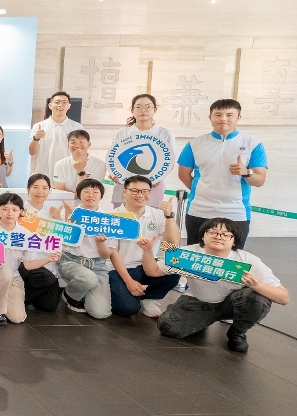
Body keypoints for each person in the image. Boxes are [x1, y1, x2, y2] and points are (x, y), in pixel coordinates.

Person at [156, 218, 289, 352]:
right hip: (198, 300)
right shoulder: (188, 253)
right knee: (167, 326)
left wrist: (257, 285)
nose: (218, 237)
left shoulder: (248, 260)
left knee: (257, 297)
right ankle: (201, 319)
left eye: (226, 234)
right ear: (203, 235)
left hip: (231, 302)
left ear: (234, 241)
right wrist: (148, 250)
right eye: (213, 232)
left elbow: (283, 297)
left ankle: (238, 332)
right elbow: (154, 271)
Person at [177, 99, 267, 249]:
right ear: (210, 117)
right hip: (199, 210)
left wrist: (246, 172)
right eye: (218, 114)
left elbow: (260, 180)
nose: (223, 119)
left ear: (238, 117)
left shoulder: (253, 144)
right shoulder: (195, 144)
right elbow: (183, 174)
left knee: (232, 258)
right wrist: (202, 191)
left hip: (236, 212)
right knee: (195, 256)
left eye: (229, 115)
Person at [105, 176, 180, 318]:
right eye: (135, 191)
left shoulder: (157, 214)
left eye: (145, 191)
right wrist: (129, 282)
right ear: (124, 192)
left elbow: (173, 243)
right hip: (119, 269)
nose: (140, 195)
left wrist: (169, 216)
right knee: (128, 309)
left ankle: (149, 299)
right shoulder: (114, 216)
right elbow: (113, 252)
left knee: (173, 270)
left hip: (148, 266)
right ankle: (116, 291)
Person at [0, 192, 61, 325]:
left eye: (14, 209)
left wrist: (47, 259)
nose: (10, 213)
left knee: (18, 318)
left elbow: (27, 265)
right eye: (5, 209)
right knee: (5, 273)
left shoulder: (26, 234)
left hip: (13, 278)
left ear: (21, 211)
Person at [51, 179, 113, 319]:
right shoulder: (70, 211)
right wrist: (67, 216)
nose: (91, 195)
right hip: (71, 261)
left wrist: (100, 243)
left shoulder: (108, 220)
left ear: (101, 196)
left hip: (98, 266)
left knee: (101, 313)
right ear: (79, 194)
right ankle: (70, 294)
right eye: (86, 191)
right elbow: (64, 241)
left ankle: (84, 291)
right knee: (88, 278)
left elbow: (106, 255)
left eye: (95, 192)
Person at [109, 94, 175, 207]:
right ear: (132, 110)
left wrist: (156, 179)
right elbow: (113, 158)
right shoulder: (122, 133)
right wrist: (114, 174)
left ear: (155, 110)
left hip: (152, 192)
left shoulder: (165, 134)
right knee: (123, 218)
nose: (143, 110)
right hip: (124, 191)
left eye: (148, 106)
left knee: (150, 217)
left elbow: (169, 162)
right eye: (138, 107)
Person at [29, 91, 84, 178]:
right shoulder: (39, 126)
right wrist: (36, 138)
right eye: (57, 102)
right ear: (50, 105)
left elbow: (82, 153)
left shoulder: (77, 127)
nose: (60, 105)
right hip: (43, 175)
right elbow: (32, 152)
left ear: (69, 106)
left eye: (64, 102)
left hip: (67, 175)